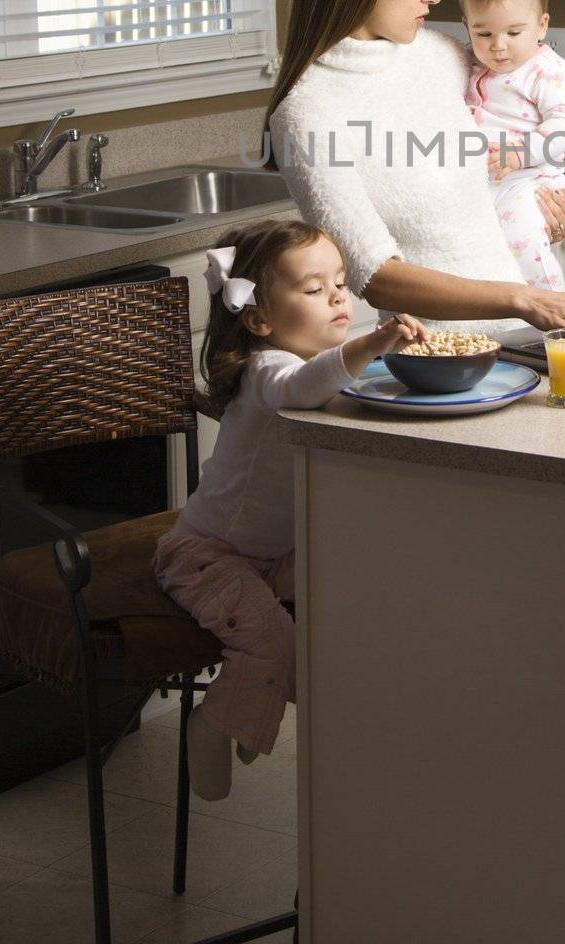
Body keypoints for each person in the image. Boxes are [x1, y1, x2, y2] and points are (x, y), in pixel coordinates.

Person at [263, 0, 565, 334]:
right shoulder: (308, 113)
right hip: (438, 362)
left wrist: (545, 209)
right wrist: (521, 299)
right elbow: (376, 276)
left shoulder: (443, 56)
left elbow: (498, 168)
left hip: (525, 337)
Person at [153, 217, 425, 801]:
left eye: (342, 283)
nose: (337, 297)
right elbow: (303, 388)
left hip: (272, 553)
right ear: (260, 320)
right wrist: (374, 342)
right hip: (209, 556)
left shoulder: (319, 363)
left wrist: (391, 351)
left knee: (346, 606)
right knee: (272, 639)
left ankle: (264, 706)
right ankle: (212, 726)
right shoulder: (268, 369)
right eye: (312, 288)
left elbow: (334, 379)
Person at [457, 0, 565, 292]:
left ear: (541, 26)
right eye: (484, 33)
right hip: (482, 183)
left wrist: (520, 154)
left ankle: (554, 308)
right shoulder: (466, 63)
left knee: (525, 247)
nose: (498, 45)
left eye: (513, 32)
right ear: (467, 26)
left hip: (529, 182)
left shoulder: (546, 70)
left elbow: (564, 128)